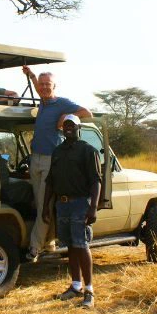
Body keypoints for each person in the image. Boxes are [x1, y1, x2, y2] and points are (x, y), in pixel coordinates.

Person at [22, 66, 92, 261]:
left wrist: (65, 118)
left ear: (55, 86)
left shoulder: (61, 103)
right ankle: (50, 242)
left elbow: (87, 112)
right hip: (35, 159)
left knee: (43, 205)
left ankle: (34, 248)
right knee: (41, 203)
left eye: (48, 85)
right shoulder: (43, 101)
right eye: (42, 85)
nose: (44, 87)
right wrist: (31, 76)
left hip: (50, 161)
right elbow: (38, 86)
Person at [43, 114, 102, 309]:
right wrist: (45, 206)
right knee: (70, 246)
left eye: (72, 125)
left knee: (81, 245)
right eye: (66, 125)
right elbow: (50, 182)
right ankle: (76, 285)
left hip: (80, 204)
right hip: (62, 205)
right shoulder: (57, 152)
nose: (68, 127)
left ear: (79, 128)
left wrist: (93, 207)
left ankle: (89, 290)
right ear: (63, 128)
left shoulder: (87, 150)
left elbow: (96, 181)